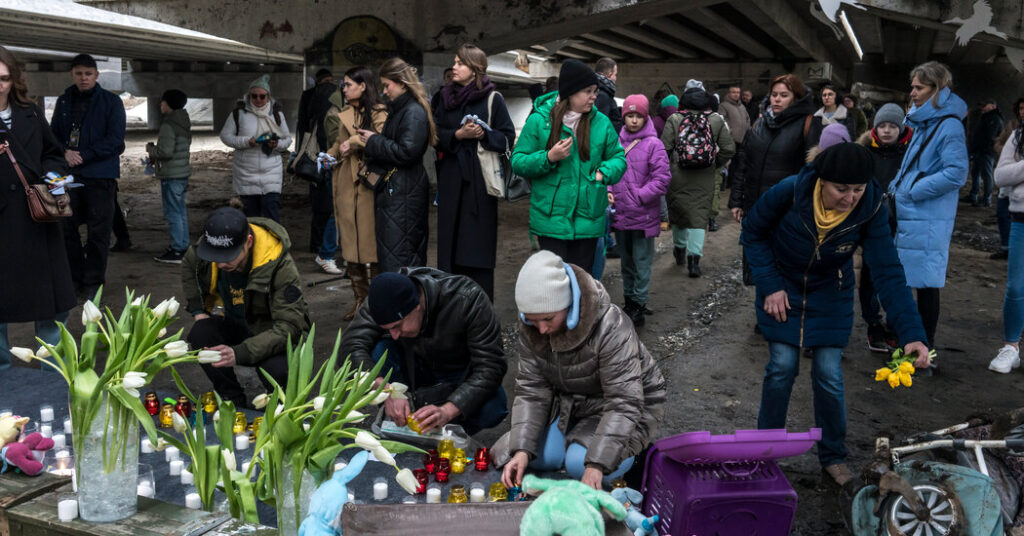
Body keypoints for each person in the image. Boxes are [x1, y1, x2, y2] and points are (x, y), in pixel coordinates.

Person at [742, 143, 930, 490]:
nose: (851, 198)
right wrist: (769, 284)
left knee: (829, 374)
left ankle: (833, 457)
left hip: (831, 292)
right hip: (782, 286)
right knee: (782, 366)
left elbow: (887, 271)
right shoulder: (790, 190)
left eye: (858, 189)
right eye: (841, 189)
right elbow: (753, 233)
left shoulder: (872, 207)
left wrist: (911, 333)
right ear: (822, 181)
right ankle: (764, 451)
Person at [494, 250, 667, 490]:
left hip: (626, 405)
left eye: (547, 319)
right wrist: (521, 450)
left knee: (580, 465)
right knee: (540, 458)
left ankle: (636, 454)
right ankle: (570, 442)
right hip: (572, 402)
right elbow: (532, 391)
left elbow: (624, 401)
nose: (541, 330)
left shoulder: (610, 326)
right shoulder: (533, 328)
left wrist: (597, 465)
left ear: (568, 304)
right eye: (532, 321)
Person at [340, 269, 508, 435]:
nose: (395, 335)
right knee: (378, 351)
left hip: (457, 372)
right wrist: (386, 390)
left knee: (493, 406)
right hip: (411, 367)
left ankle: (449, 430)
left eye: (397, 326)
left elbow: (491, 366)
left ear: (417, 306)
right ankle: (402, 415)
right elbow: (350, 347)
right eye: (388, 329)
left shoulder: (467, 298)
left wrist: (448, 411)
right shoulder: (382, 297)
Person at [181, 206, 310, 409]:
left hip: (269, 332)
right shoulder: (210, 246)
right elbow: (189, 264)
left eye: (228, 256)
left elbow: (289, 326)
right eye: (216, 257)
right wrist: (198, 311)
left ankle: (280, 407)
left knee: (277, 369)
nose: (221, 264)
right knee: (201, 334)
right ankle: (232, 400)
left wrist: (240, 352)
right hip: (233, 321)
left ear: (248, 242)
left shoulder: (280, 265)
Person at [511, 59, 626, 274]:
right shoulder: (540, 121)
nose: (594, 97)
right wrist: (548, 157)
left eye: (595, 91)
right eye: (588, 91)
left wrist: (602, 173)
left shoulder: (601, 123)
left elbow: (618, 158)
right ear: (570, 92)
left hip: (588, 218)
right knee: (554, 287)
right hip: (550, 219)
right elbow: (517, 161)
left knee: (582, 283)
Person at [889, 61, 968, 368]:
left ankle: (926, 351)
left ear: (938, 90)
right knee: (912, 281)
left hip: (927, 215)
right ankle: (912, 347)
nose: (912, 93)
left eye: (919, 88)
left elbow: (956, 173)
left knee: (925, 285)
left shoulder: (947, 125)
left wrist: (913, 190)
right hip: (916, 215)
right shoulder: (928, 123)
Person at [0, 46, 75, 371]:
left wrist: (55, 183)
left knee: (51, 303)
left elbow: (53, 153)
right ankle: (2, 375)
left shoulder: (29, 112)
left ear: (13, 79)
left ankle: (52, 374)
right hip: (2, 225)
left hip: (37, 219)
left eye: (3, 78)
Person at [434, 44, 516, 301]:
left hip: (479, 184)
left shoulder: (493, 99)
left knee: (477, 250)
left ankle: (480, 310)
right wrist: (458, 135)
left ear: (475, 69)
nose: (454, 67)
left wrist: (484, 134)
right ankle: (452, 309)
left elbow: (507, 138)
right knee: (450, 251)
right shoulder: (443, 98)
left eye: (460, 63)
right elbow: (434, 136)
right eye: (455, 62)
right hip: (450, 181)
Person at [50, 53, 127, 298]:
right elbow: (53, 137)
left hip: (100, 177)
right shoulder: (63, 102)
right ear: (72, 75)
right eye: (79, 74)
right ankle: (74, 280)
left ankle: (93, 284)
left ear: (96, 75)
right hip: (69, 178)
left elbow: (116, 141)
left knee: (98, 233)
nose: (84, 78)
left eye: (88, 74)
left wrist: (83, 155)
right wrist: (64, 153)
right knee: (66, 231)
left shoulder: (111, 103)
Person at [728, 73, 815, 285]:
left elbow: (811, 172)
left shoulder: (808, 125)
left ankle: (779, 315)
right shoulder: (760, 123)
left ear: (796, 97)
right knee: (759, 266)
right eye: (774, 94)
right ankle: (765, 312)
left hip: (786, 212)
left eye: (783, 95)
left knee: (783, 268)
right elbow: (744, 162)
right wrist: (737, 200)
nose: (776, 99)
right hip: (756, 208)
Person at [358, 58, 436, 273]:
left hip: (403, 193)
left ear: (402, 83)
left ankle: (404, 305)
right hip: (400, 192)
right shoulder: (403, 110)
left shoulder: (412, 112)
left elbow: (407, 152)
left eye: (387, 85)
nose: (384, 91)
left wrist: (374, 141)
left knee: (400, 257)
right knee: (396, 255)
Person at [325, 66, 387, 321]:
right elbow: (338, 145)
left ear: (363, 86)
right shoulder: (345, 113)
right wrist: (327, 157)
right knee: (350, 244)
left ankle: (377, 302)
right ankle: (359, 299)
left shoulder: (380, 112)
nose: (344, 88)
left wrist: (356, 142)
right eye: (344, 84)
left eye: (349, 84)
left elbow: (383, 140)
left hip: (369, 183)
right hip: (346, 184)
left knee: (371, 245)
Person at [663, 80, 735, 278]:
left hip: (678, 175)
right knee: (699, 218)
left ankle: (679, 249)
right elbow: (729, 149)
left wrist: (671, 167)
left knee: (679, 213)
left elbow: (665, 149)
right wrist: (714, 163)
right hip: (705, 175)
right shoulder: (716, 120)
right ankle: (694, 262)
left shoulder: (675, 119)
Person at [609, 95, 670, 326]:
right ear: (624, 117)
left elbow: (662, 179)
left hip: (643, 215)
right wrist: (608, 189)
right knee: (627, 262)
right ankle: (629, 301)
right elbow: (608, 169)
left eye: (638, 116)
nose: (634, 121)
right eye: (630, 116)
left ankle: (639, 304)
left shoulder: (654, 144)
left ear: (645, 118)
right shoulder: (616, 143)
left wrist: (640, 195)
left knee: (642, 262)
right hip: (622, 213)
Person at [856, 103, 913, 352]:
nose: (887, 131)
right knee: (869, 275)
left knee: (898, 276)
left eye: (892, 126)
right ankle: (873, 325)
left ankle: (894, 325)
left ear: (901, 129)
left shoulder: (910, 155)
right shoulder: (866, 154)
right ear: (874, 128)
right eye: (882, 126)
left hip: (902, 226)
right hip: (872, 223)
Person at [219, 74, 292, 222]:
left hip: (271, 176)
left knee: (272, 219)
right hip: (246, 176)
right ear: (248, 96)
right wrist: (247, 141)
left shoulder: (277, 115)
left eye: (262, 96)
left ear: (268, 96)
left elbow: (287, 140)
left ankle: (273, 245)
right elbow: (225, 136)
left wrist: (277, 144)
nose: (258, 100)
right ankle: (252, 245)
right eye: (254, 96)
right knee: (250, 220)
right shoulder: (238, 114)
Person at [296, 68, 342, 273]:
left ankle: (317, 244)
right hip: (334, 154)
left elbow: (302, 124)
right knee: (336, 206)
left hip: (316, 153)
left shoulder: (309, 95)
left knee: (319, 201)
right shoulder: (337, 95)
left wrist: (301, 151)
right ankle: (330, 250)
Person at [988, 114, 1024, 373]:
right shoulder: (1018, 136)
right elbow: (1000, 176)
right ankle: (1010, 347)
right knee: (1015, 287)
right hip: (1021, 219)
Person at [147, 89, 192, 264]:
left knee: (173, 213)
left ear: (168, 104)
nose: (160, 105)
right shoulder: (183, 122)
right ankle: (183, 246)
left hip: (171, 175)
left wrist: (151, 150)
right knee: (180, 212)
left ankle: (177, 250)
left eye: (162, 102)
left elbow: (165, 151)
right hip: (182, 174)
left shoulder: (168, 125)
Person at [992, 98, 1024, 260]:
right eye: (1020, 108)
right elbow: (998, 142)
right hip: (1010, 185)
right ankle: (1006, 246)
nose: (1022, 111)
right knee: (1002, 213)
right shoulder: (1014, 129)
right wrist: (1006, 152)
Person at [967, 98, 1004, 207]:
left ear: (993, 106)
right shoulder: (986, 117)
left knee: (986, 175)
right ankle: (973, 195)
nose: (982, 107)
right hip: (981, 151)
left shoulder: (995, 119)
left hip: (987, 151)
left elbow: (990, 137)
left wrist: (982, 148)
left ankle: (987, 199)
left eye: (985, 105)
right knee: (975, 173)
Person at [593, 57, 622, 133]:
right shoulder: (603, 95)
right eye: (615, 75)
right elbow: (600, 124)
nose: (616, 78)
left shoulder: (597, 90)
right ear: (609, 75)